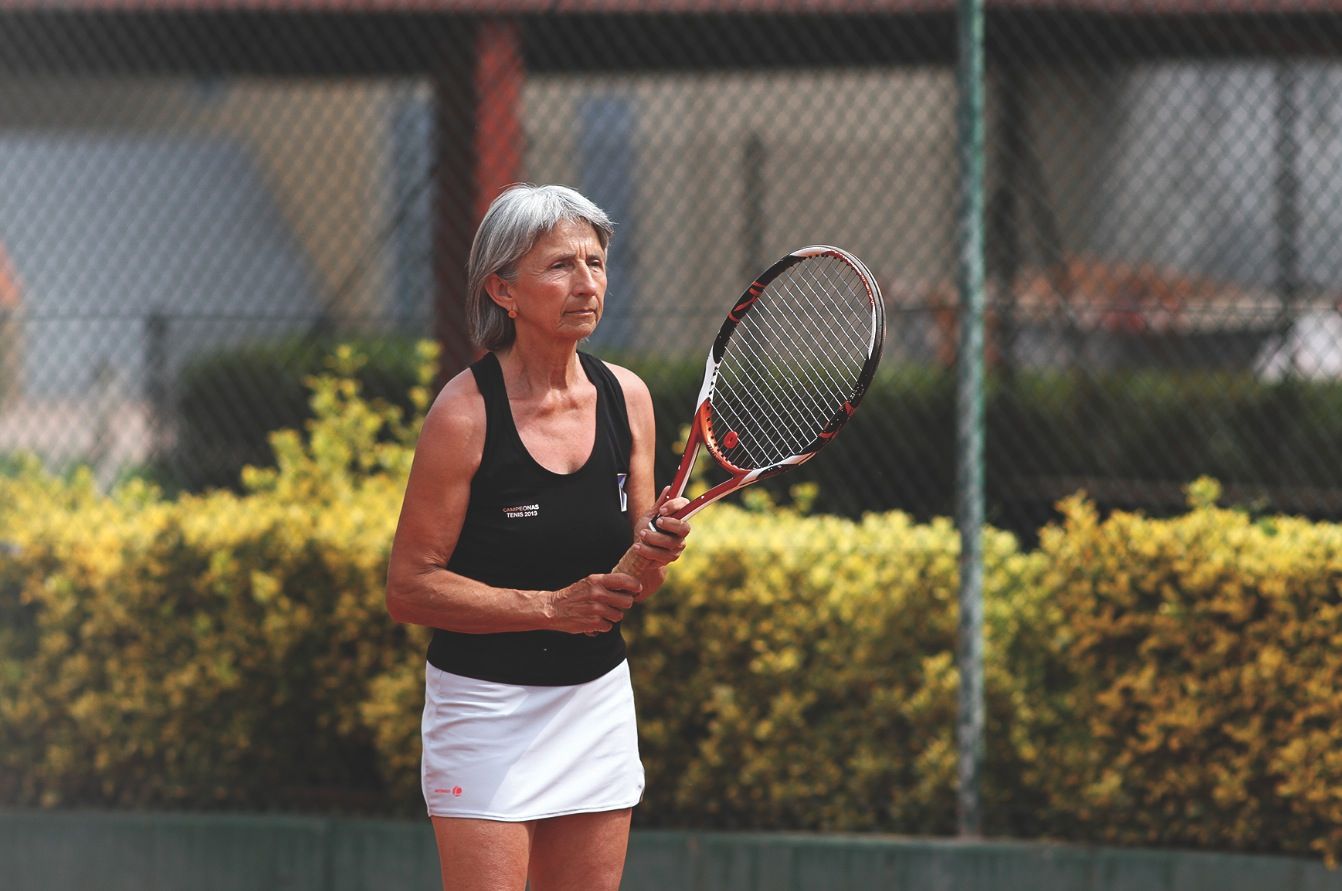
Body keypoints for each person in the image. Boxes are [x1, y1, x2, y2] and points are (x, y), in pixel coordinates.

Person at [385, 183, 692, 891]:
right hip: (484, 710)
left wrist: (655, 553)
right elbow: (409, 588)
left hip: (595, 703)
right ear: (503, 290)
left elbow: (635, 583)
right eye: (560, 265)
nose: (587, 283)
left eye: (596, 262)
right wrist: (552, 607)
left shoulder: (629, 398)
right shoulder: (463, 413)